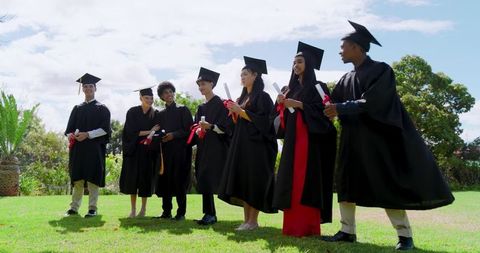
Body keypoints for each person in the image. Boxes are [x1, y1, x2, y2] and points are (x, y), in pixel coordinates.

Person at [323, 21, 455, 250]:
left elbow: (373, 102)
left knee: (385, 184)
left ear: (356, 47)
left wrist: (340, 108)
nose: (340, 51)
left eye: (343, 46)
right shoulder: (345, 79)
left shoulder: (381, 70)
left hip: (376, 139)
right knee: (346, 183)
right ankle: (347, 231)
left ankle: (405, 236)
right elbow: (334, 103)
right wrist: (327, 107)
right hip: (351, 140)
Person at [273, 42, 337, 237]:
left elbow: (325, 113)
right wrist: (281, 104)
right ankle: (292, 226)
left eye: (299, 62)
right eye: (293, 63)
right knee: (291, 180)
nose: (296, 66)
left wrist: (299, 104)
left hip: (310, 140)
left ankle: (308, 226)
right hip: (293, 140)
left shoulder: (319, 87)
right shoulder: (289, 89)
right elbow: (281, 121)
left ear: (308, 64)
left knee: (305, 179)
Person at [218, 56, 278, 231]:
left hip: (257, 148)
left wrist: (241, 111)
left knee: (254, 182)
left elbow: (265, 122)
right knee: (244, 181)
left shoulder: (264, 97)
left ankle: (253, 221)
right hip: (242, 146)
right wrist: (235, 113)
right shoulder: (243, 97)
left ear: (255, 75)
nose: (242, 77)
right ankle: (246, 221)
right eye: (241, 75)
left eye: (245, 74)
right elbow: (239, 123)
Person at [64, 73, 111, 218]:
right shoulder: (77, 108)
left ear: (95, 88)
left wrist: (88, 134)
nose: (88, 88)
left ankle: (92, 208)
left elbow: (105, 130)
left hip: (94, 148)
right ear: (82, 89)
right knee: (77, 178)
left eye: (91, 86)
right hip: (78, 149)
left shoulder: (102, 108)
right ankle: (74, 208)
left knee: (92, 179)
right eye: (85, 86)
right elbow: (68, 130)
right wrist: (71, 135)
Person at [192, 67, 229, 225]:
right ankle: (209, 214)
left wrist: (210, 127)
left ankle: (210, 214)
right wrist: (199, 129)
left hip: (217, 148)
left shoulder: (220, 104)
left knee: (213, 179)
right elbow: (196, 127)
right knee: (204, 178)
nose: (201, 87)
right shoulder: (201, 107)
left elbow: (226, 128)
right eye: (199, 85)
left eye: (204, 84)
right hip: (203, 147)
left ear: (212, 84)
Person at [154, 81, 193, 221]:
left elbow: (189, 131)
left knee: (179, 182)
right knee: (165, 182)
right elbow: (158, 132)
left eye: (171, 91)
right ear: (162, 96)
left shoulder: (183, 110)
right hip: (165, 153)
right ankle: (166, 212)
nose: (169, 94)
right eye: (165, 92)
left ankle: (181, 213)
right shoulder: (160, 114)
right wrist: (162, 138)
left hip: (181, 153)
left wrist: (173, 135)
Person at [120, 87, 161, 218]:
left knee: (145, 181)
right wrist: (150, 131)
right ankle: (133, 209)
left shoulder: (155, 114)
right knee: (133, 181)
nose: (149, 100)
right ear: (140, 98)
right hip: (134, 151)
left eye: (151, 98)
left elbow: (158, 132)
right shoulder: (132, 112)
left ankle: (143, 209)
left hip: (147, 153)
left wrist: (150, 133)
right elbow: (131, 132)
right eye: (146, 98)